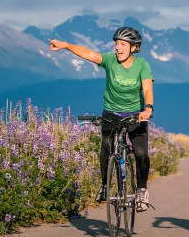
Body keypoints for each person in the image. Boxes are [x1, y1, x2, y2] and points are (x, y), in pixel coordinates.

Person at [49, 26, 154, 212]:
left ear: (134, 48)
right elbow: (88, 54)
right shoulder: (110, 61)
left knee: (141, 153)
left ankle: (142, 190)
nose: (118, 48)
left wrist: (147, 108)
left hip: (135, 114)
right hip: (111, 113)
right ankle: (105, 185)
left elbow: (147, 89)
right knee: (106, 147)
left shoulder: (142, 65)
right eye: (116, 44)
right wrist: (66, 45)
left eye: (122, 44)